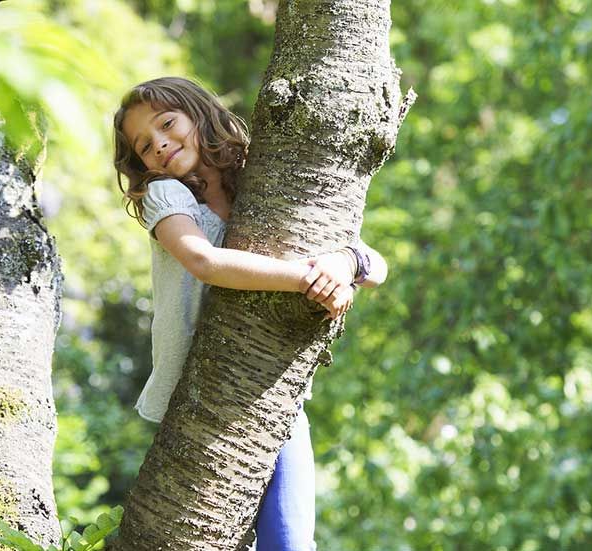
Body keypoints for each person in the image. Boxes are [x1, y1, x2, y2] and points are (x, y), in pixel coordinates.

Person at [111, 76, 387, 550]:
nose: (158, 144)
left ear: (199, 115)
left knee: (292, 541)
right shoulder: (167, 196)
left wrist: (342, 265)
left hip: (271, 388)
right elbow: (205, 262)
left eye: (167, 124)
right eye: (143, 145)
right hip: (203, 390)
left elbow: (375, 264)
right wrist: (306, 278)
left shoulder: (261, 186)